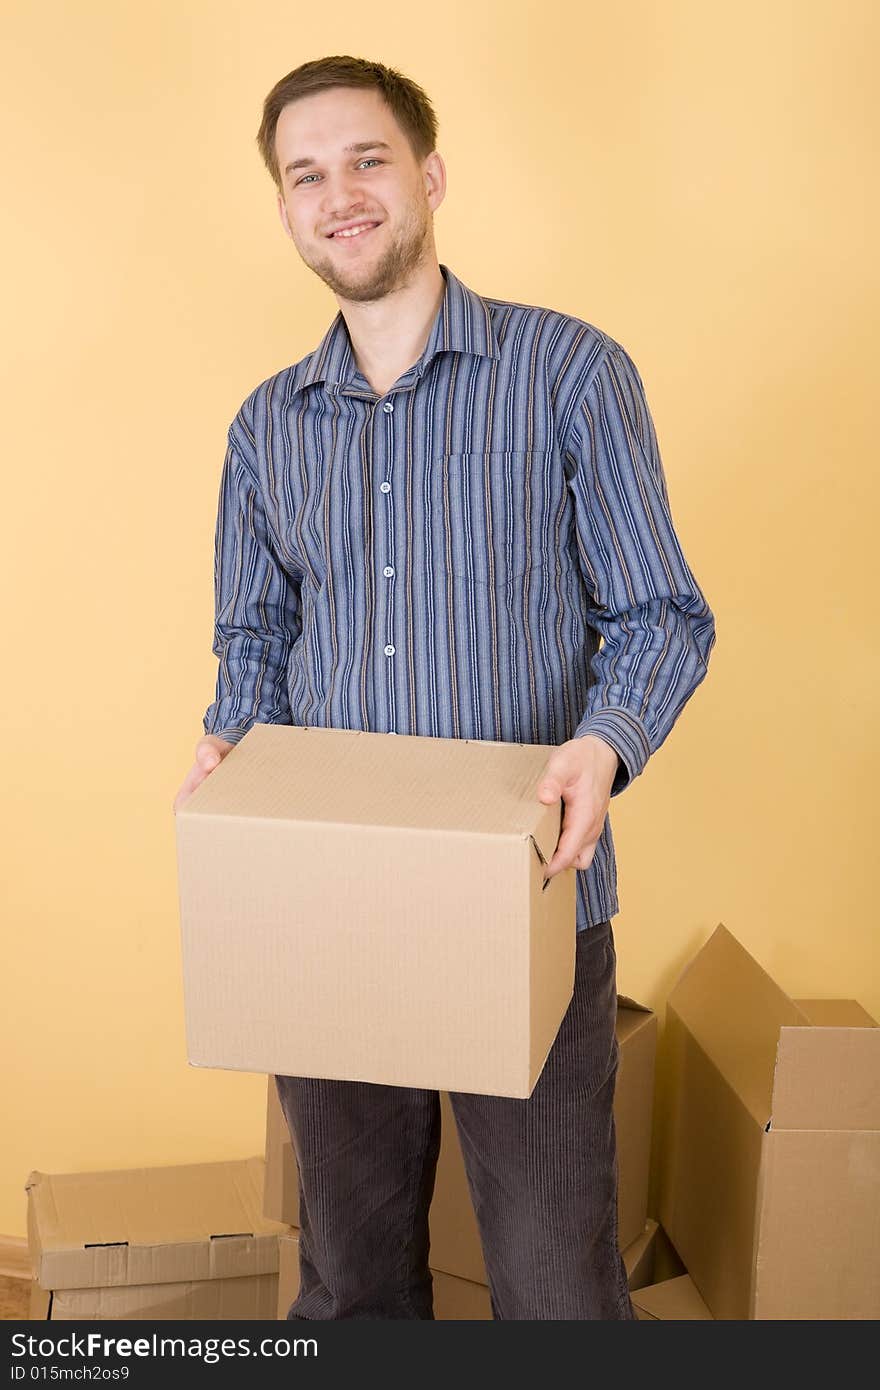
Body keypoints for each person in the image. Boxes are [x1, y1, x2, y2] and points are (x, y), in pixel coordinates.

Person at [173, 55, 715, 1320]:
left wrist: (604, 748)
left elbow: (661, 614)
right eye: (305, 175)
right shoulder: (266, 427)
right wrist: (230, 747)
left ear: (429, 173)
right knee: (353, 1280)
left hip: (525, 898)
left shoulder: (570, 373)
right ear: (285, 210)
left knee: (553, 1287)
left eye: (366, 158)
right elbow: (253, 638)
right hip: (328, 906)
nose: (339, 193)